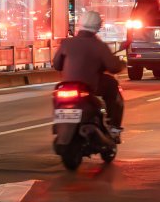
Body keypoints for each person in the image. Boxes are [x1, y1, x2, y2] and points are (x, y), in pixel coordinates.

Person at [52, 8, 124, 137]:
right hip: (90, 86)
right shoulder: (99, 46)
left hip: (67, 85)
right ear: (98, 27)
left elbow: (57, 65)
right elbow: (114, 67)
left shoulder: (67, 43)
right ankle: (114, 126)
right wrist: (122, 63)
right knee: (112, 84)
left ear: (81, 24)